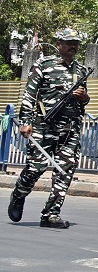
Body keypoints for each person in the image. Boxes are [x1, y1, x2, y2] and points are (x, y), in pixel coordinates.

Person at [7, 27, 90, 229]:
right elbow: (29, 95)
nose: (73, 46)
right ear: (59, 44)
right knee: (36, 167)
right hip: (44, 125)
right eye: (69, 43)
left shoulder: (80, 70)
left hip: (70, 128)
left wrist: (84, 97)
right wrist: (26, 121)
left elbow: (84, 100)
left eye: (76, 43)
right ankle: (19, 194)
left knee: (65, 169)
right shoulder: (44, 65)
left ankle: (51, 214)